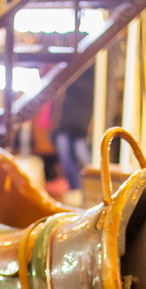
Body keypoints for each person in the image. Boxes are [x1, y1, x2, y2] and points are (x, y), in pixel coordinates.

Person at [52, 64, 94, 193]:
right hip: (66, 121)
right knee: (66, 157)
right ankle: (76, 189)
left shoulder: (94, 74)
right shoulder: (72, 71)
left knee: (83, 156)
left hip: (82, 123)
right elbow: (60, 98)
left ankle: (87, 188)